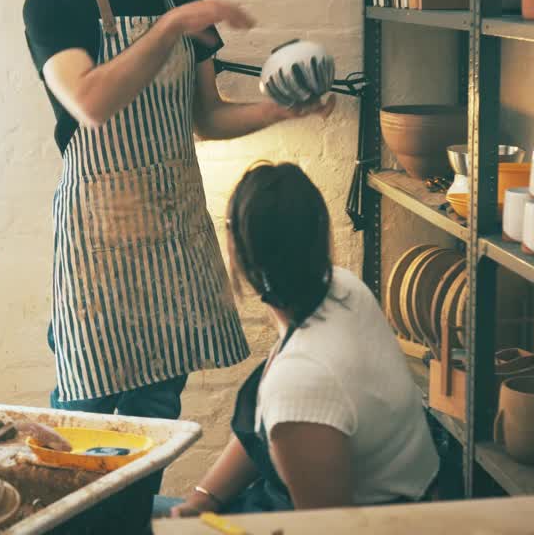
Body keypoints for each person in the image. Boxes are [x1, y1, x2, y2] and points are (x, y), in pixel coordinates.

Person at [21, 0, 333, 447]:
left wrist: (280, 110)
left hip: (172, 247)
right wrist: (170, 29)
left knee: (155, 435)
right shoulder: (54, 4)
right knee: (81, 436)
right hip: (99, 260)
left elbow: (206, 118)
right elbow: (88, 102)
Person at [167, 162, 439, 516]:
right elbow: (262, 428)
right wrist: (205, 498)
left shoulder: (302, 381)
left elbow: (326, 529)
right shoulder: (344, 290)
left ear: (239, 254)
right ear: (322, 235)